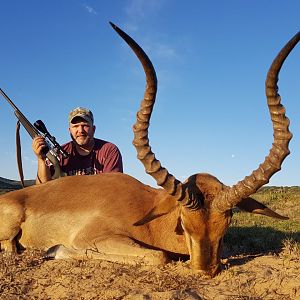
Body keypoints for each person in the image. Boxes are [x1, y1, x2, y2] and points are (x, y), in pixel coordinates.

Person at [32, 107, 123, 184]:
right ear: (69, 130)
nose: (80, 130)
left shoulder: (109, 150)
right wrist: (41, 158)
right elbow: (42, 187)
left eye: (85, 125)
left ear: (93, 129)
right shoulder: (59, 153)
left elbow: (112, 187)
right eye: (75, 126)